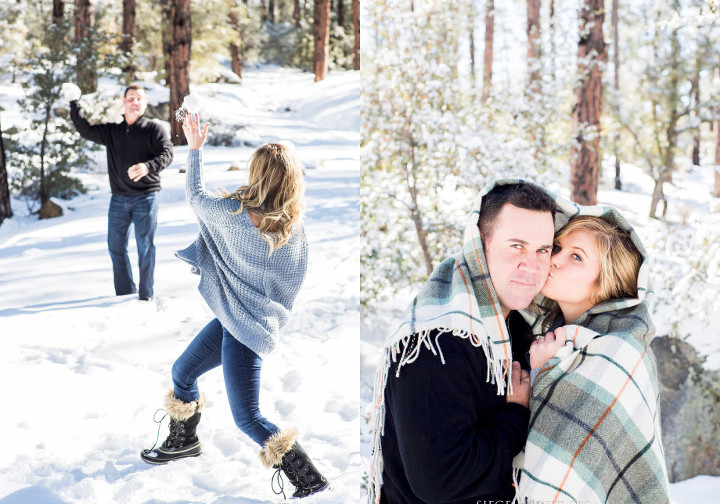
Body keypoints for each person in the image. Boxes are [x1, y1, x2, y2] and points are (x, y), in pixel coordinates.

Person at [139, 113, 329, 499]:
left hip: (246, 331)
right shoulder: (292, 229)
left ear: (257, 174)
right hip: (235, 318)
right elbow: (288, 283)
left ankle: (308, 476)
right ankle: (184, 441)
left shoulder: (236, 216)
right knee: (183, 372)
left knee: (247, 417)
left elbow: (195, 196)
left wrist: (195, 150)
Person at [369, 180, 577, 504]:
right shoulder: (439, 343)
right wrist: (516, 416)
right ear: (480, 245)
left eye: (542, 249)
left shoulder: (516, 322)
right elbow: (440, 481)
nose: (532, 265)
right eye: (516, 246)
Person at [516, 212, 670, 503]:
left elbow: (561, 474)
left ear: (605, 283)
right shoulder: (547, 332)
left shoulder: (617, 353)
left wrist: (541, 372)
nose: (555, 260)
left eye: (577, 257)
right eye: (558, 248)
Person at [64, 82, 173, 301]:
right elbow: (85, 130)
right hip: (119, 200)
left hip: (146, 197)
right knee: (115, 247)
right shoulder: (113, 131)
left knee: (145, 246)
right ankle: (124, 294)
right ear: (124, 102)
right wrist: (74, 103)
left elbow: (167, 154)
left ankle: (146, 295)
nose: (135, 102)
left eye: (139, 98)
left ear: (145, 103)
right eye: (131, 98)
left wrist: (147, 166)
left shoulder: (154, 129)